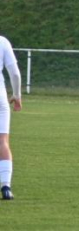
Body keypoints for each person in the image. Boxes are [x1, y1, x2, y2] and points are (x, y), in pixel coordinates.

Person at [0, 35, 22, 201]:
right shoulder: (2, 41)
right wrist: (17, 95)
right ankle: (6, 187)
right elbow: (14, 73)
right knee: (3, 142)